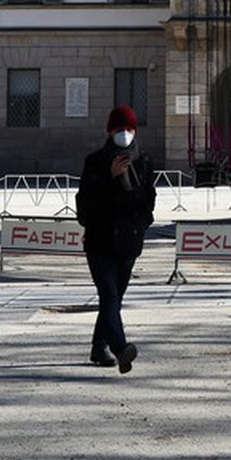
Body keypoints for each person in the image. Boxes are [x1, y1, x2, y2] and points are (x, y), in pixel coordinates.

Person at [74, 105, 154, 373]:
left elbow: (147, 203)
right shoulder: (95, 162)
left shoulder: (143, 162)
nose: (125, 134)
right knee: (109, 295)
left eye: (130, 129)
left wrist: (142, 226)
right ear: (109, 131)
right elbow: (84, 210)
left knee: (113, 299)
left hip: (129, 244)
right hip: (100, 242)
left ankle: (99, 348)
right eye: (120, 129)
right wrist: (110, 178)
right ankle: (121, 348)